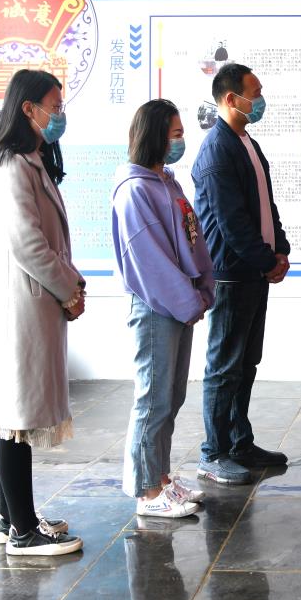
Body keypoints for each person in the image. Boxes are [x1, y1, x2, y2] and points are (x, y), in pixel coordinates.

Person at [0, 69, 84, 556]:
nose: (59, 114)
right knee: (12, 417)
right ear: (28, 109)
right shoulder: (11, 167)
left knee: (10, 417)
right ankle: (23, 532)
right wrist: (69, 288)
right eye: (54, 105)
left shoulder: (26, 161)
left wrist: (69, 285)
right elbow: (28, 244)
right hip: (20, 306)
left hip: (25, 302)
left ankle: (12, 519)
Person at [113, 99, 216, 518]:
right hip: (158, 307)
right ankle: (146, 491)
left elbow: (192, 239)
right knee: (152, 399)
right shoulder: (135, 190)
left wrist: (201, 290)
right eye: (175, 134)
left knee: (170, 397)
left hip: (179, 303)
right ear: (155, 136)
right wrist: (188, 300)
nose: (181, 141)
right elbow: (150, 261)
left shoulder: (166, 182)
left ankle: (160, 476)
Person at [191, 63, 291, 485]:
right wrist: (266, 261)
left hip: (254, 270)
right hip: (231, 274)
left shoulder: (246, 142)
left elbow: (266, 204)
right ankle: (213, 453)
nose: (261, 99)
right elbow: (231, 222)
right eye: (255, 92)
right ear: (231, 99)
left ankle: (239, 442)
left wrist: (280, 249)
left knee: (246, 362)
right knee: (224, 366)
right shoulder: (217, 150)